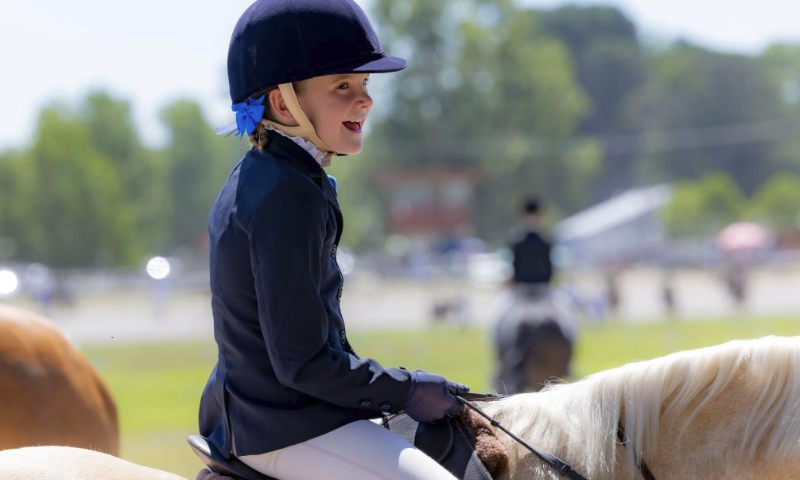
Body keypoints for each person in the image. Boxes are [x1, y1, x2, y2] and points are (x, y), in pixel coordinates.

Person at [198, 1, 469, 480]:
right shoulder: (286, 195)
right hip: (285, 425)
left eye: (364, 85)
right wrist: (406, 388)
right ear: (284, 103)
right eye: (342, 86)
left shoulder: (276, 175)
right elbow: (303, 363)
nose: (364, 100)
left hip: (268, 412)